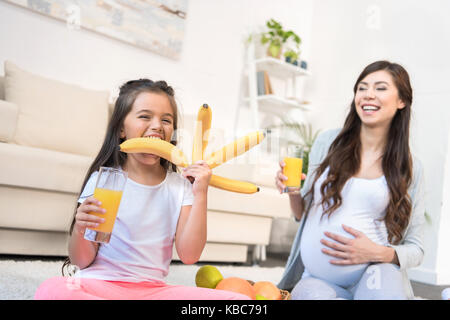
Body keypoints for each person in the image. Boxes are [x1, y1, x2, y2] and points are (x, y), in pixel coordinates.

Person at [34, 79, 249, 300]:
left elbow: (189, 255)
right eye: (145, 116)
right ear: (121, 129)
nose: (157, 125)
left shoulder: (179, 186)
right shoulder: (104, 180)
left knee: (239, 302)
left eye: (166, 120)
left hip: (152, 291)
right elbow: (81, 261)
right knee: (52, 289)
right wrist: (81, 228)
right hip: (99, 284)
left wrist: (201, 193)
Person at [275, 61, 426, 300]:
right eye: (362, 88)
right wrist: (293, 191)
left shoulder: (410, 166)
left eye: (380, 88)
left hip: (375, 272)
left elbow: (416, 249)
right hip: (317, 278)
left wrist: (377, 252)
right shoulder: (327, 143)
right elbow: (302, 214)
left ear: (402, 101)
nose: (368, 95)